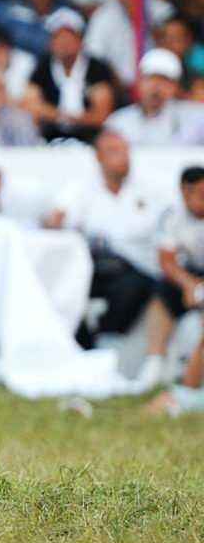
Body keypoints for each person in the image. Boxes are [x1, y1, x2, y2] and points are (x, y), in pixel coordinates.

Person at [48, 130, 169, 348]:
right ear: (98, 157)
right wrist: (55, 222)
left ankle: (103, 339)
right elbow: (56, 219)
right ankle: (79, 344)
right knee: (62, 284)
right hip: (95, 266)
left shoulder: (152, 188)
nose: (122, 157)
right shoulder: (81, 188)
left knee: (134, 285)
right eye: (113, 151)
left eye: (125, 151)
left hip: (140, 268)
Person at [139, 166, 204, 388]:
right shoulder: (172, 216)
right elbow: (166, 260)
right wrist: (190, 285)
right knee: (163, 294)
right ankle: (154, 362)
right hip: (188, 274)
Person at [21, 8, 117, 143]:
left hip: (91, 139)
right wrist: (64, 116)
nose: (63, 42)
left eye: (68, 36)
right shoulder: (42, 67)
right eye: (57, 37)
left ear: (80, 40)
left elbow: (101, 115)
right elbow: (30, 106)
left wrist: (57, 115)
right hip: (49, 138)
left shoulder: (97, 68)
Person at [84, 0, 175, 88]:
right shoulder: (103, 16)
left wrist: (151, 25)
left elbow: (175, 43)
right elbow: (94, 57)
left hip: (158, 84)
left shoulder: (160, 10)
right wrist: (117, 83)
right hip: (119, 88)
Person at [106, 48, 204, 144]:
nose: (156, 87)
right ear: (139, 82)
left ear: (176, 87)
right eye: (151, 79)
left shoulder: (195, 117)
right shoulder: (118, 122)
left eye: (164, 81)